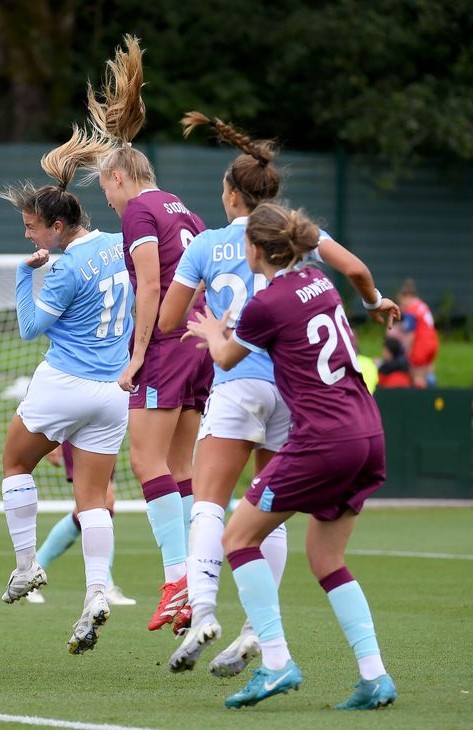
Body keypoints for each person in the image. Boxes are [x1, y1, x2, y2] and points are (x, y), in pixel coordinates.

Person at [158, 112, 399, 676]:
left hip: (237, 382)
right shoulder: (300, 240)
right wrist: (375, 300)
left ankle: (203, 611)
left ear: (231, 195)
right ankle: (254, 631)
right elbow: (359, 271)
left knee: (211, 502)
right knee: (270, 512)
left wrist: (205, 323)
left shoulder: (208, 245)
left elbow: (172, 319)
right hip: (296, 394)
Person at [186, 202, 396, 710]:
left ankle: (276, 663)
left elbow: (228, 357)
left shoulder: (267, 303)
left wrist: (213, 330)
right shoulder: (319, 284)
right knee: (326, 558)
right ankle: (374, 676)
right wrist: (373, 300)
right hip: (367, 430)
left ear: (255, 249)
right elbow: (356, 274)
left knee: (237, 536)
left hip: (324, 439)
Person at [87, 35, 214, 631]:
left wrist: (136, 356)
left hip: (165, 347)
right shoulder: (185, 209)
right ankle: (196, 577)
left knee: (144, 459)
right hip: (201, 347)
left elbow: (147, 284)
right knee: (182, 468)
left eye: (106, 190)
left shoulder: (138, 211)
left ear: (118, 176)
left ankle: (177, 579)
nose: (108, 203)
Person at [0, 125, 131, 655]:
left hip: (65, 382)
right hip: (114, 390)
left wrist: (23, 277)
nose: (29, 237)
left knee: (14, 464)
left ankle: (28, 567)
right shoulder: (120, 245)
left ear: (57, 225)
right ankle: (97, 590)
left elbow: (31, 329)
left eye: (32, 229)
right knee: (93, 499)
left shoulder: (67, 266)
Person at [27, 442, 136, 606]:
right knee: (103, 503)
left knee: (85, 510)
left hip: (105, 433)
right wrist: (55, 441)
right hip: (83, 435)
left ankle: (32, 572)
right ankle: (105, 585)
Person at [396, 278, 439, 387]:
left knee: (417, 377)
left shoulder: (411, 310)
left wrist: (406, 350)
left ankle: (420, 401)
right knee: (427, 376)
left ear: (407, 297)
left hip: (421, 345)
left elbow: (410, 333)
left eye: (401, 303)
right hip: (433, 343)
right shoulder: (422, 306)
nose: (401, 307)